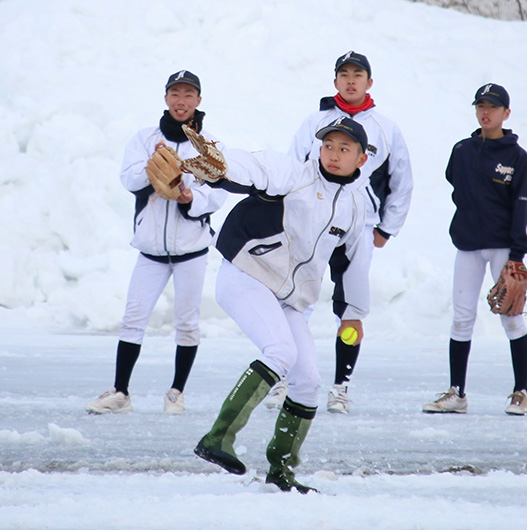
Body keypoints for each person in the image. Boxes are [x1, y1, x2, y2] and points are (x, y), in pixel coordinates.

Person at [190, 117, 372, 493]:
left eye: (344, 148)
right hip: (246, 274)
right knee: (280, 351)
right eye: (328, 145)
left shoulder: (356, 207)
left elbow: (352, 264)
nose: (333, 154)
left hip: (286, 297)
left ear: (361, 158)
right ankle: (218, 438)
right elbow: (254, 168)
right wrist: (220, 165)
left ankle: (282, 471)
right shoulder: (295, 174)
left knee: (308, 382)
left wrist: (352, 313)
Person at [265, 50, 413, 414]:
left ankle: (341, 386)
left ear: (369, 82)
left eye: (357, 74)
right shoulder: (315, 122)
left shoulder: (386, 128)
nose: (350, 80)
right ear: (335, 81)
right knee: (295, 300)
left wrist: (386, 228)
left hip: (360, 227)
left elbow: (402, 180)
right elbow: (291, 170)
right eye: (344, 74)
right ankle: (283, 377)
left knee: (351, 307)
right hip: (310, 225)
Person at [85, 70, 227, 415]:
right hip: (150, 249)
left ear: (198, 101)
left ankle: (176, 392)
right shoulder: (144, 138)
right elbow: (128, 179)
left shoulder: (208, 144)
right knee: (133, 317)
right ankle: (121, 393)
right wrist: (155, 169)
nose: (181, 101)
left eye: (188, 94)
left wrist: (190, 198)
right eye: (175, 94)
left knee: (187, 321)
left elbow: (218, 193)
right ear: (166, 98)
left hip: (191, 250)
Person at [422, 83, 527, 416]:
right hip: (469, 245)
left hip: (503, 247)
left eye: (493, 107)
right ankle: (457, 393)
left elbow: (520, 207)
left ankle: (521, 392)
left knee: (512, 321)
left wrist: (517, 255)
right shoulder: (462, 150)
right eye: (480, 106)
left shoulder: (517, 157)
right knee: (462, 319)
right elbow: (455, 186)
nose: (486, 112)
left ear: (506, 113)